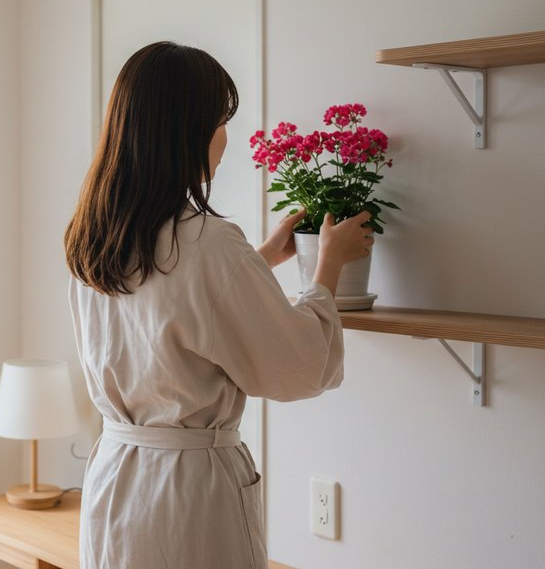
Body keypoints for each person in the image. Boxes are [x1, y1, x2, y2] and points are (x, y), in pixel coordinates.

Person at [63, 41, 373, 568]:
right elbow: (298, 368)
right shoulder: (208, 242)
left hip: (114, 482)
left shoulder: (96, 236)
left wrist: (260, 259)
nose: (226, 135)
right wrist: (328, 265)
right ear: (185, 130)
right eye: (219, 119)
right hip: (188, 495)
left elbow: (166, 308)